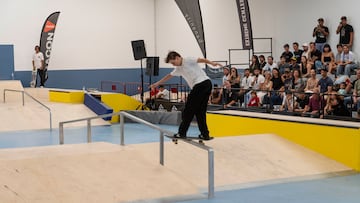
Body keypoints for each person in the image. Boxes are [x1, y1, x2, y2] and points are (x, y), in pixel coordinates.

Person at [150, 51, 221, 140]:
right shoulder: (178, 68)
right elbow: (169, 76)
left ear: (177, 57)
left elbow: (201, 60)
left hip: (201, 84)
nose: (173, 65)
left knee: (188, 109)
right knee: (200, 111)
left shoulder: (188, 59)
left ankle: (182, 133)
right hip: (206, 85)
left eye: (173, 62)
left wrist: (212, 63)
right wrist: (156, 84)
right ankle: (205, 134)